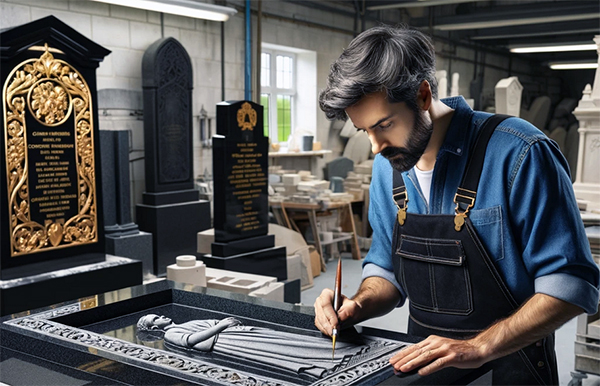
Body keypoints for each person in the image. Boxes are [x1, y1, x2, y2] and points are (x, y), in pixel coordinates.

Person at [314, 24, 599, 385]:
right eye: (364, 130)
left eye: (384, 125)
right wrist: (357, 305)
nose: (375, 146)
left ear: (422, 95)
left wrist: (479, 347)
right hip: (421, 371)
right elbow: (386, 270)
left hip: (511, 372)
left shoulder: (521, 153)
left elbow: (572, 285)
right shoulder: (388, 170)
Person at [136, 314, 370, 379]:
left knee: (279, 339)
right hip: (229, 342)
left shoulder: (182, 323)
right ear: (153, 329)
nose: (161, 317)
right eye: (155, 319)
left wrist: (224, 324)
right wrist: (221, 327)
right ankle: (321, 364)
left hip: (234, 333)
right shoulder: (172, 334)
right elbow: (191, 342)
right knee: (275, 351)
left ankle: (340, 351)